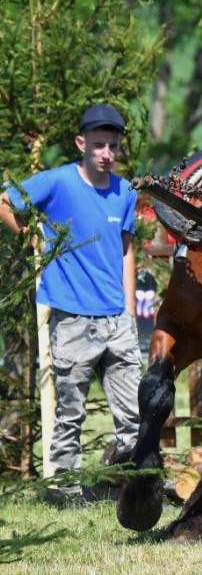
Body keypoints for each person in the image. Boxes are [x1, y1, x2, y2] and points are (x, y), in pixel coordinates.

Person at [0, 104, 141, 503]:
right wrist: (32, 237)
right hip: (73, 318)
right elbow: (5, 202)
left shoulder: (125, 192)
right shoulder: (58, 182)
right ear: (81, 143)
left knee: (132, 414)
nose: (106, 153)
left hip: (117, 319)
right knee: (70, 412)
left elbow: (126, 250)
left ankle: (132, 486)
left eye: (113, 146)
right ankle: (64, 491)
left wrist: (129, 310)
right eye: (98, 145)